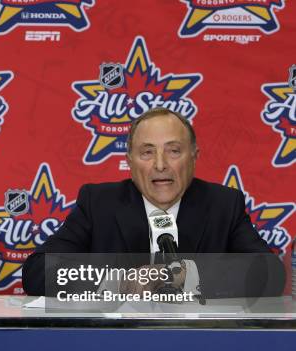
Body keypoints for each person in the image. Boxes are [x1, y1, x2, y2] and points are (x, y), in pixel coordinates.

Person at [22, 107, 284, 297]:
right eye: (147, 152)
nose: (160, 165)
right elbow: (37, 272)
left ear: (194, 157)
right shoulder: (99, 203)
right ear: (130, 161)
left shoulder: (223, 204)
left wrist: (181, 275)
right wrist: (119, 281)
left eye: (174, 151)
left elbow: (269, 274)